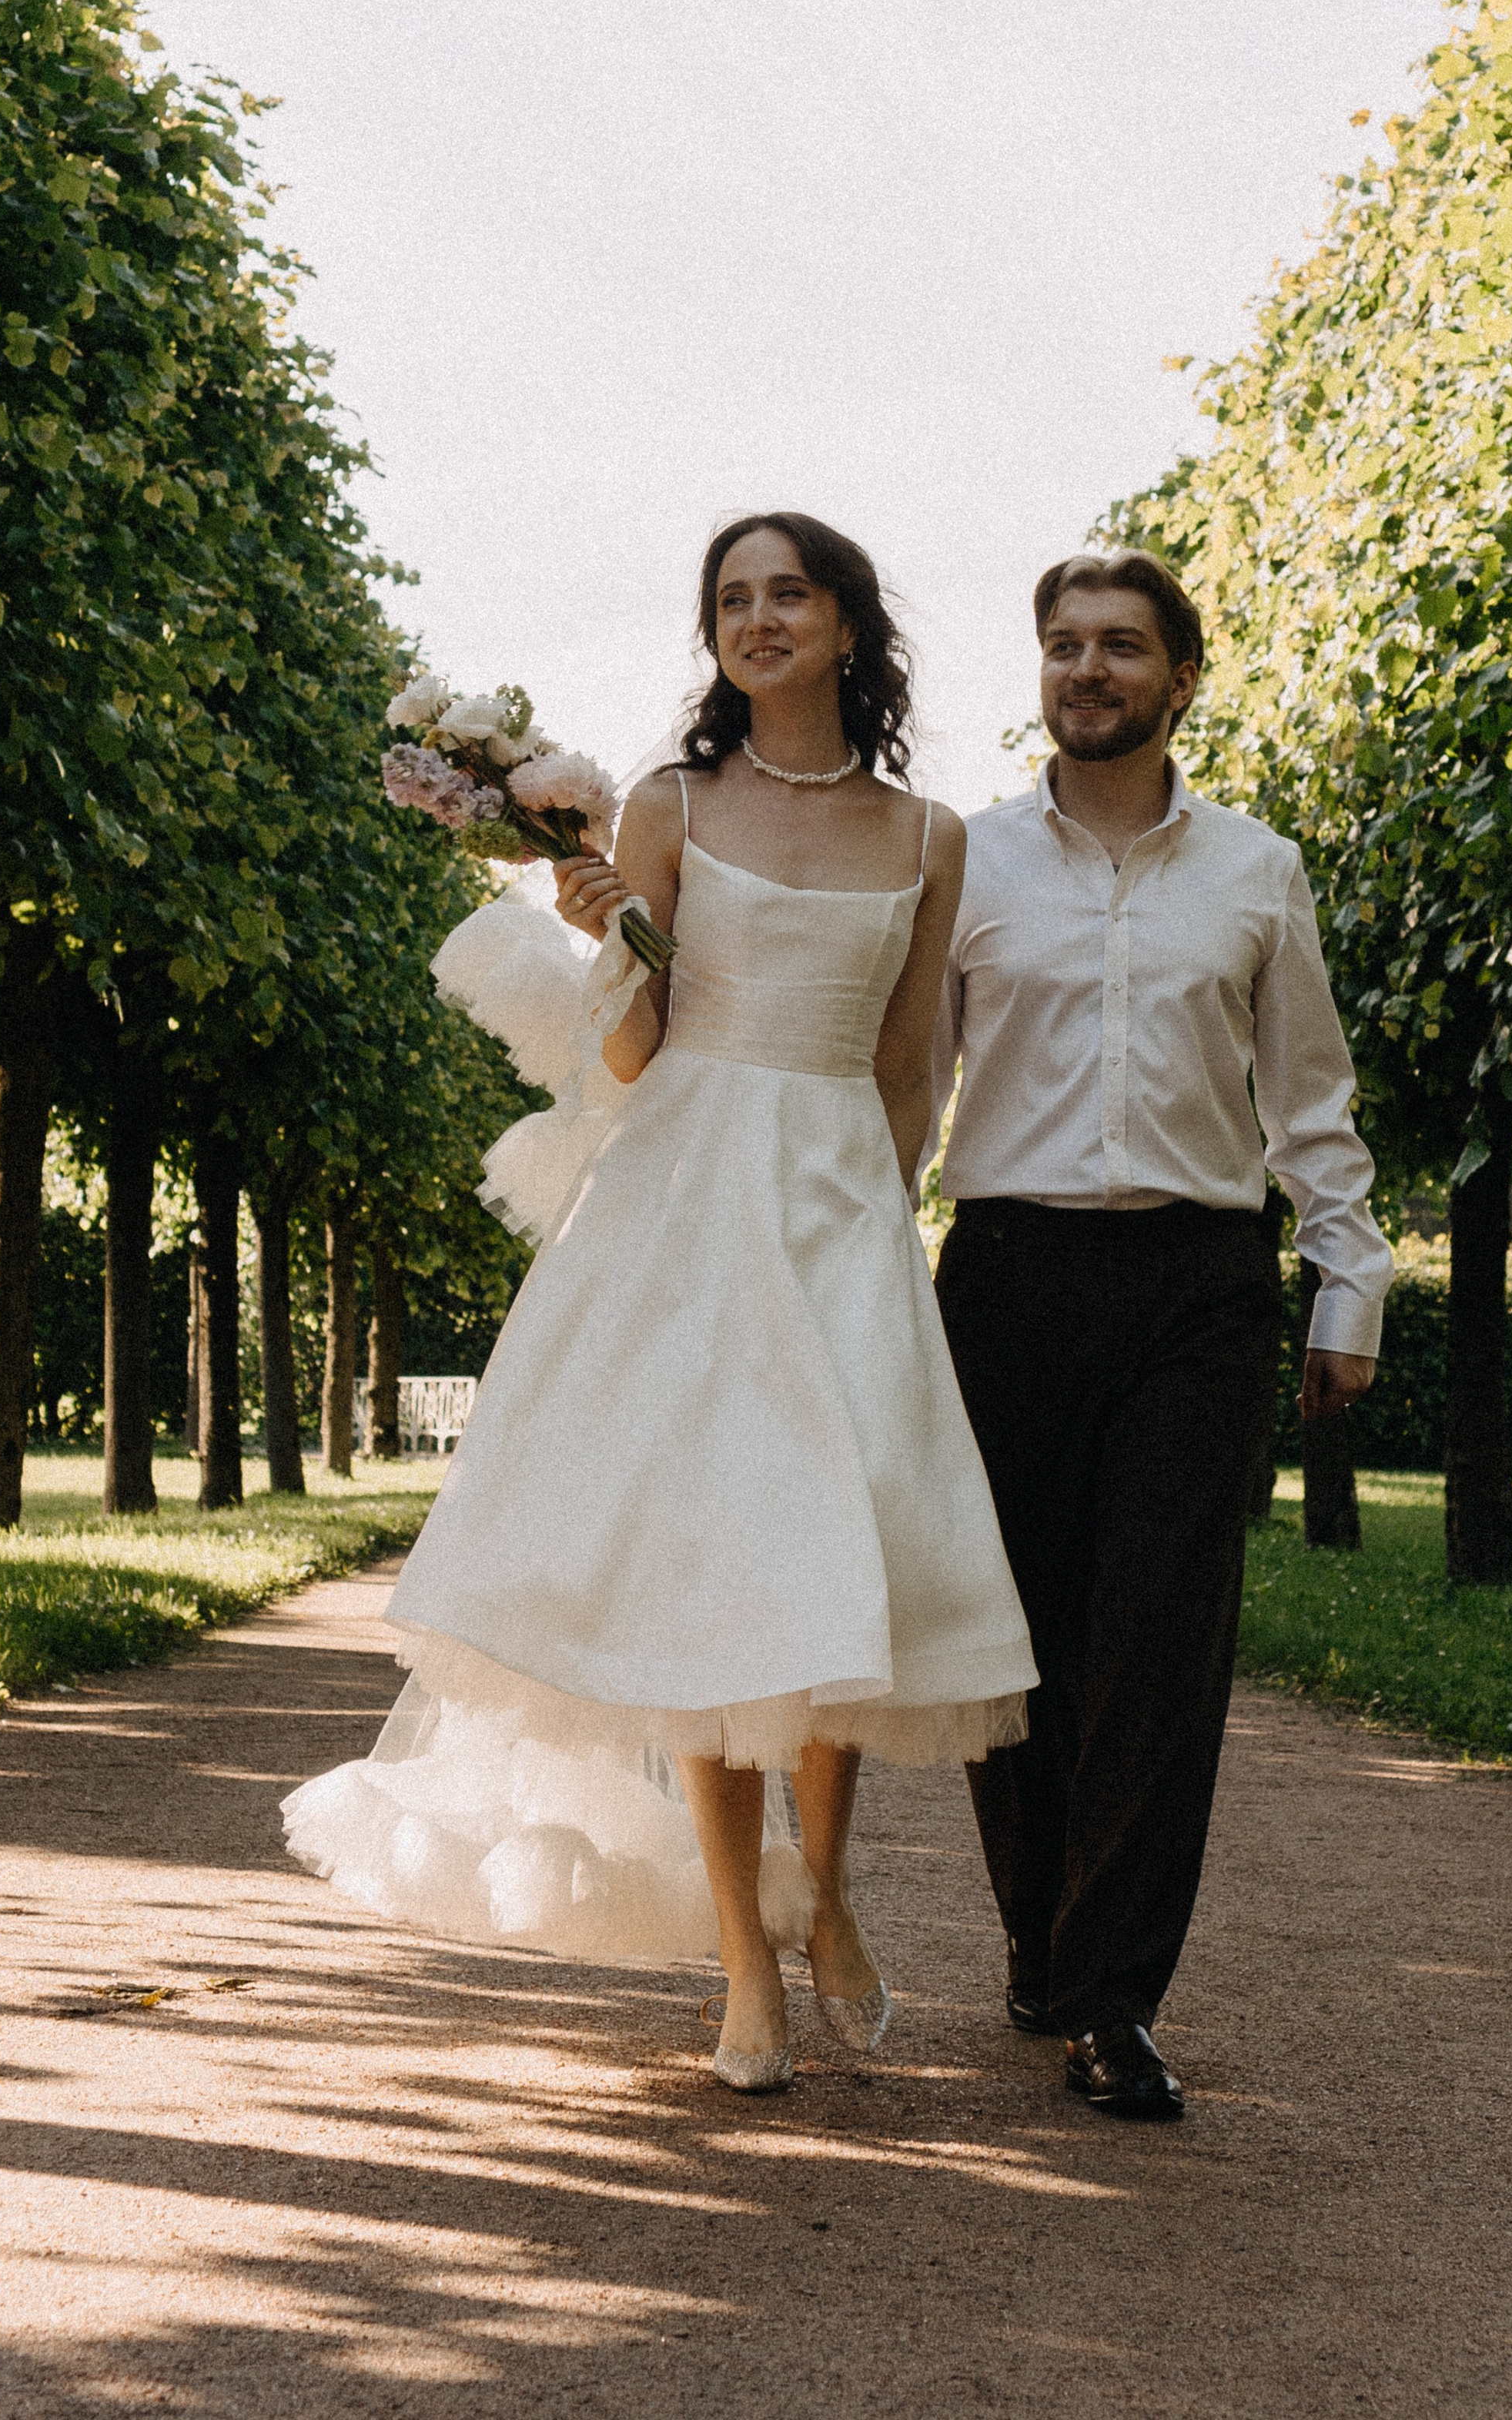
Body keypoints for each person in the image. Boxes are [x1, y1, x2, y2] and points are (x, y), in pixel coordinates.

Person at [286, 514, 1035, 2093]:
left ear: (845, 624)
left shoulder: (929, 836)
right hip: (686, 1203)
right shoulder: (666, 803)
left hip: (837, 1208)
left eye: (788, 594)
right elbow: (626, 1058)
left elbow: (912, 1061)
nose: (758, 619)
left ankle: (822, 1892)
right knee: (705, 1576)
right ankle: (740, 1959)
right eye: (731, 600)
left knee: (841, 1566)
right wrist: (602, 941)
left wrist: (884, 1219)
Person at [932, 548, 1393, 2120]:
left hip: (1196, 1285)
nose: (1086, 669)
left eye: (1120, 646)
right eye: (1061, 643)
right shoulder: (965, 864)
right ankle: (1038, 1932)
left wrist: (1349, 1287)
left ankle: (1108, 1998)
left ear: (1179, 677)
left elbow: (1309, 1102)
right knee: (1015, 1646)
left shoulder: (1255, 872)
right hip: (1000, 1278)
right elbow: (900, 1092)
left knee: (1159, 1635)